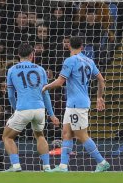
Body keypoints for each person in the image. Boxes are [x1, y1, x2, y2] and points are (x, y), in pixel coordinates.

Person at [42, 36, 110, 172]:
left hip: (76, 104)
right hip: (75, 103)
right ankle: (63, 166)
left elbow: (60, 82)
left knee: (81, 135)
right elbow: (101, 80)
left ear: (68, 46)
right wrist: (99, 97)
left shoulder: (70, 60)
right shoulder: (89, 61)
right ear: (82, 47)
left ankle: (102, 162)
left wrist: (45, 87)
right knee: (66, 133)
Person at [3, 43, 60, 172]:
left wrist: (15, 108)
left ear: (18, 55)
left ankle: (16, 165)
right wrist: (51, 114)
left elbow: (11, 95)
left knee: (7, 137)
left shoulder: (12, 70)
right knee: (40, 135)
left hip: (23, 108)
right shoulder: (40, 69)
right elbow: (46, 94)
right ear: (32, 55)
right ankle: (47, 167)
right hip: (39, 109)